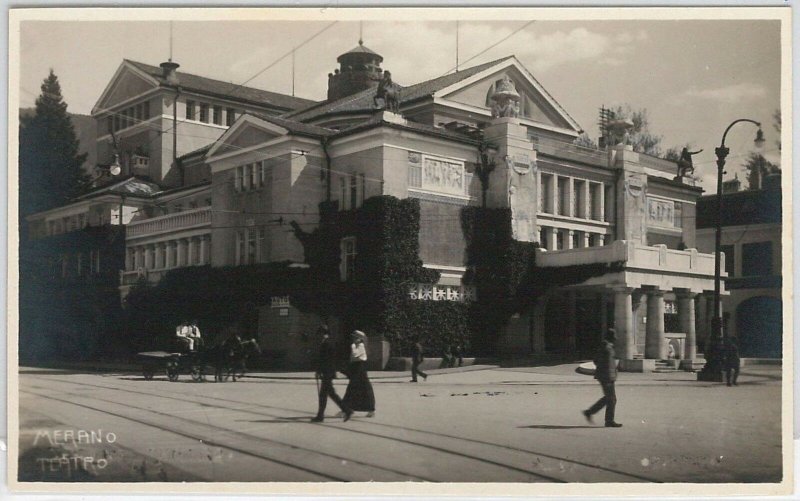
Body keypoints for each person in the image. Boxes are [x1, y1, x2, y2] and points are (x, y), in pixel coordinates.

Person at [312, 325, 352, 423]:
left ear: (324, 333)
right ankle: (321, 415)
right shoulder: (326, 343)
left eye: (320, 334)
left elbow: (326, 360)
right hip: (327, 372)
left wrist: (320, 371)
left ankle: (346, 410)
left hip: (327, 372)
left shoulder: (327, 344)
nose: (319, 336)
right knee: (328, 394)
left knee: (326, 395)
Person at [583, 328, 622, 428]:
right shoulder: (605, 346)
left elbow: (598, 360)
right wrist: (604, 370)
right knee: (612, 399)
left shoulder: (608, 346)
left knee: (609, 398)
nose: (615, 339)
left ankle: (590, 412)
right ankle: (608, 420)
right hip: (606, 376)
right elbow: (596, 360)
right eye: (614, 337)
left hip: (608, 375)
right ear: (611, 337)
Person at [342, 330, 376, 417]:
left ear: (360, 339)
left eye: (355, 337)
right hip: (357, 368)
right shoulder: (357, 345)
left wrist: (353, 348)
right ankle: (349, 408)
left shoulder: (361, 346)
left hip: (360, 368)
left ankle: (347, 409)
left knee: (355, 389)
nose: (353, 338)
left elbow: (355, 356)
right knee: (356, 389)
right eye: (353, 337)